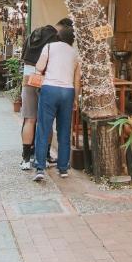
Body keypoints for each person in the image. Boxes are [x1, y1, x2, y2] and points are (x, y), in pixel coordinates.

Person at [33, 25, 80, 181]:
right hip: (67, 91)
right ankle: (63, 168)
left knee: (43, 129)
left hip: (50, 89)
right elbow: (77, 80)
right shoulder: (75, 53)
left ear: (58, 36)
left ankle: (40, 167)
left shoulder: (49, 46)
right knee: (64, 130)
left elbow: (39, 67)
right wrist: (75, 98)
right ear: (72, 40)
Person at [19, 24, 58, 171]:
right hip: (46, 79)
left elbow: (23, 59)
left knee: (29, 119)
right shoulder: (54, 40)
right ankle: (45, 156)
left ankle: (26, 158)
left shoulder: (30, 39)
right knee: (45, 120)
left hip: (28, 78)